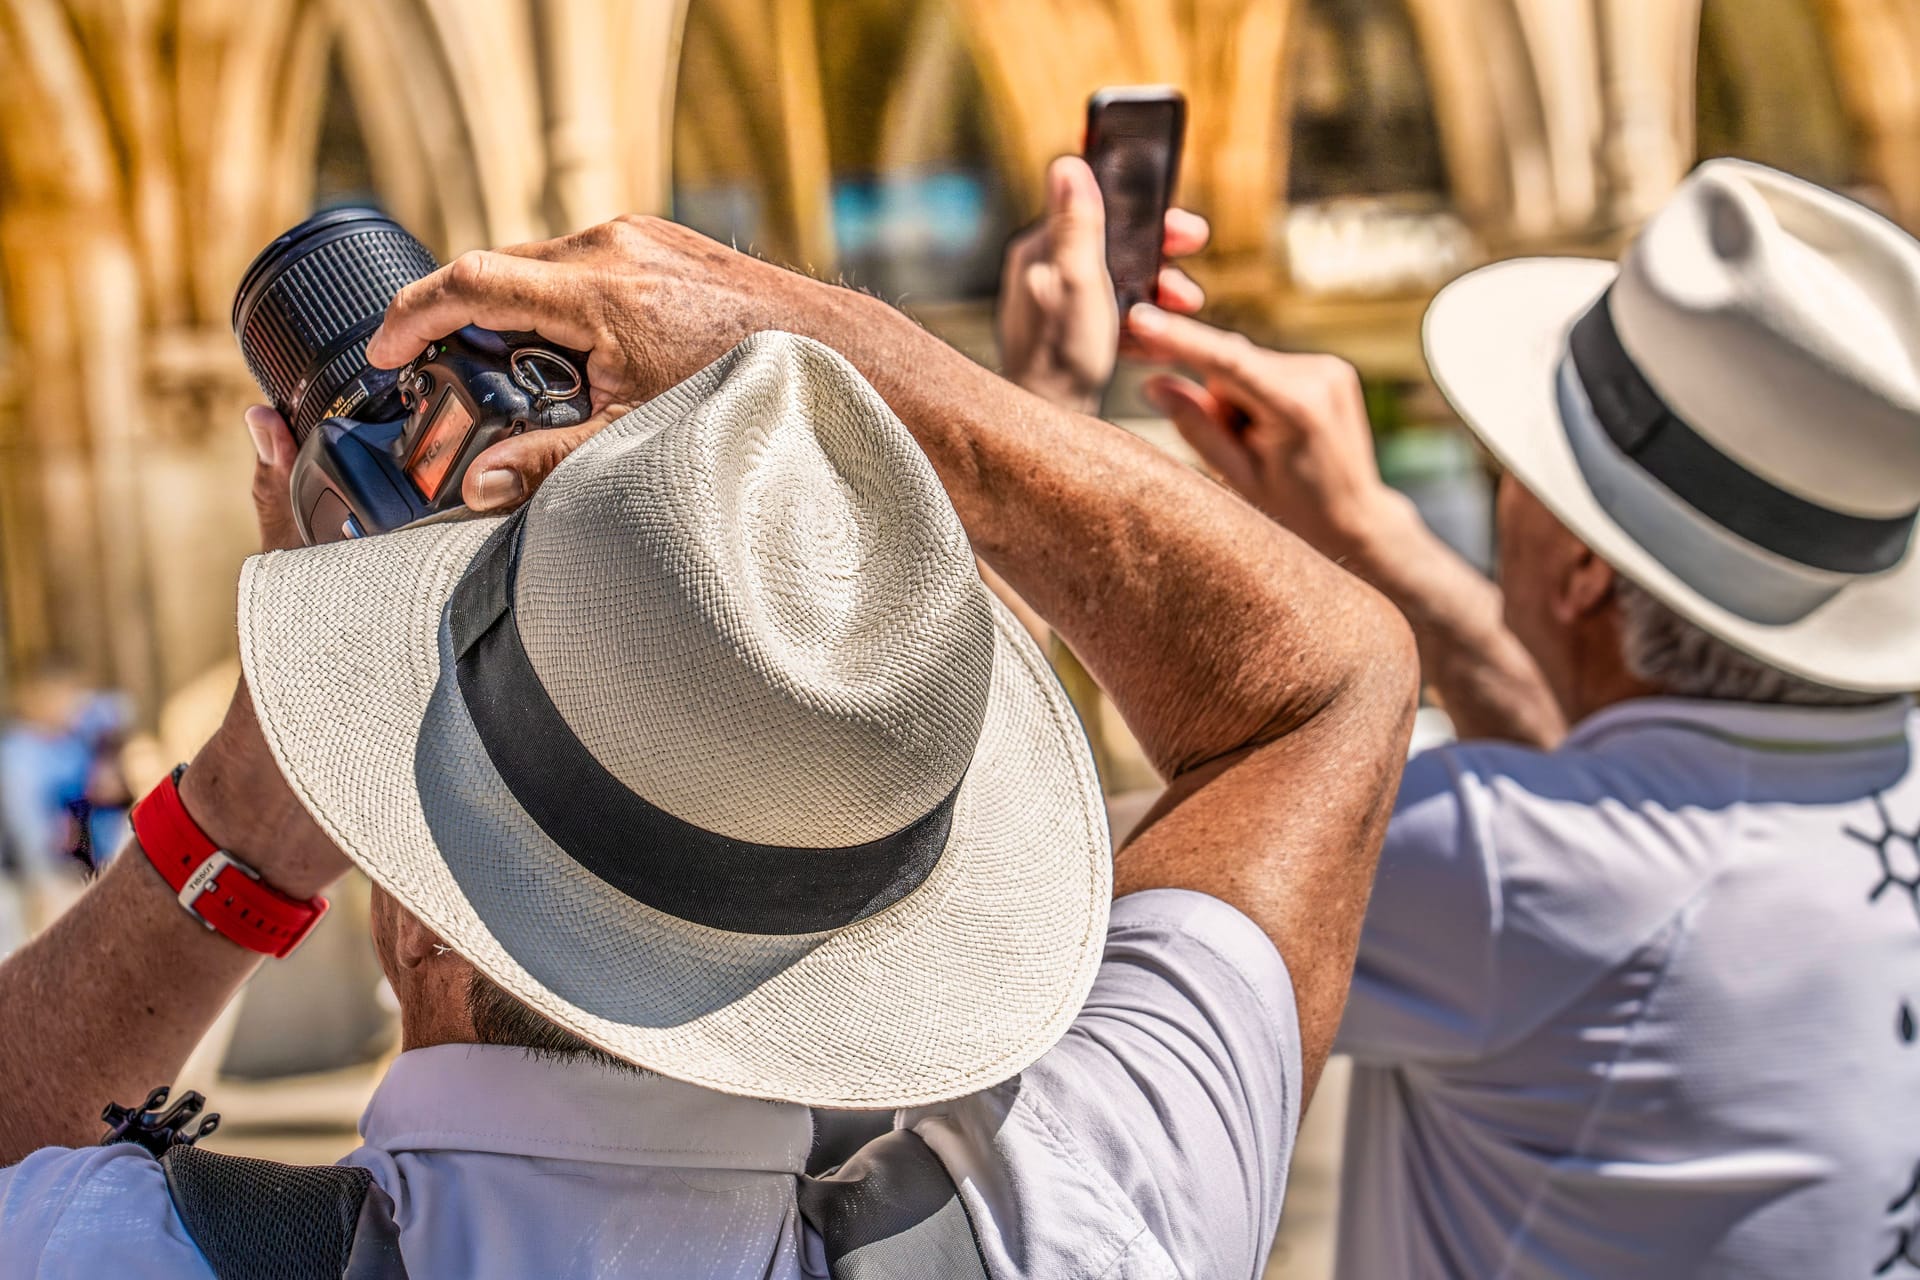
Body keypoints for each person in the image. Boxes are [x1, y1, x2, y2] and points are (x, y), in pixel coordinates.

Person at [0, 202, 1418, 1277]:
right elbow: (1328, 690)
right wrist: (827, 359)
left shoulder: (108, 1250)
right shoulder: (1068, 1231)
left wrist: (251, 809)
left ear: (421, 919)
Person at [1004, 154, 1920, 1277]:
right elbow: (1623, 805)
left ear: (1583, 569)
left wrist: (1037, 409)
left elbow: (1005, 901)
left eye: (1518, 465)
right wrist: (1377, 541)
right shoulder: (1851, 793)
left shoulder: (1503, 868)